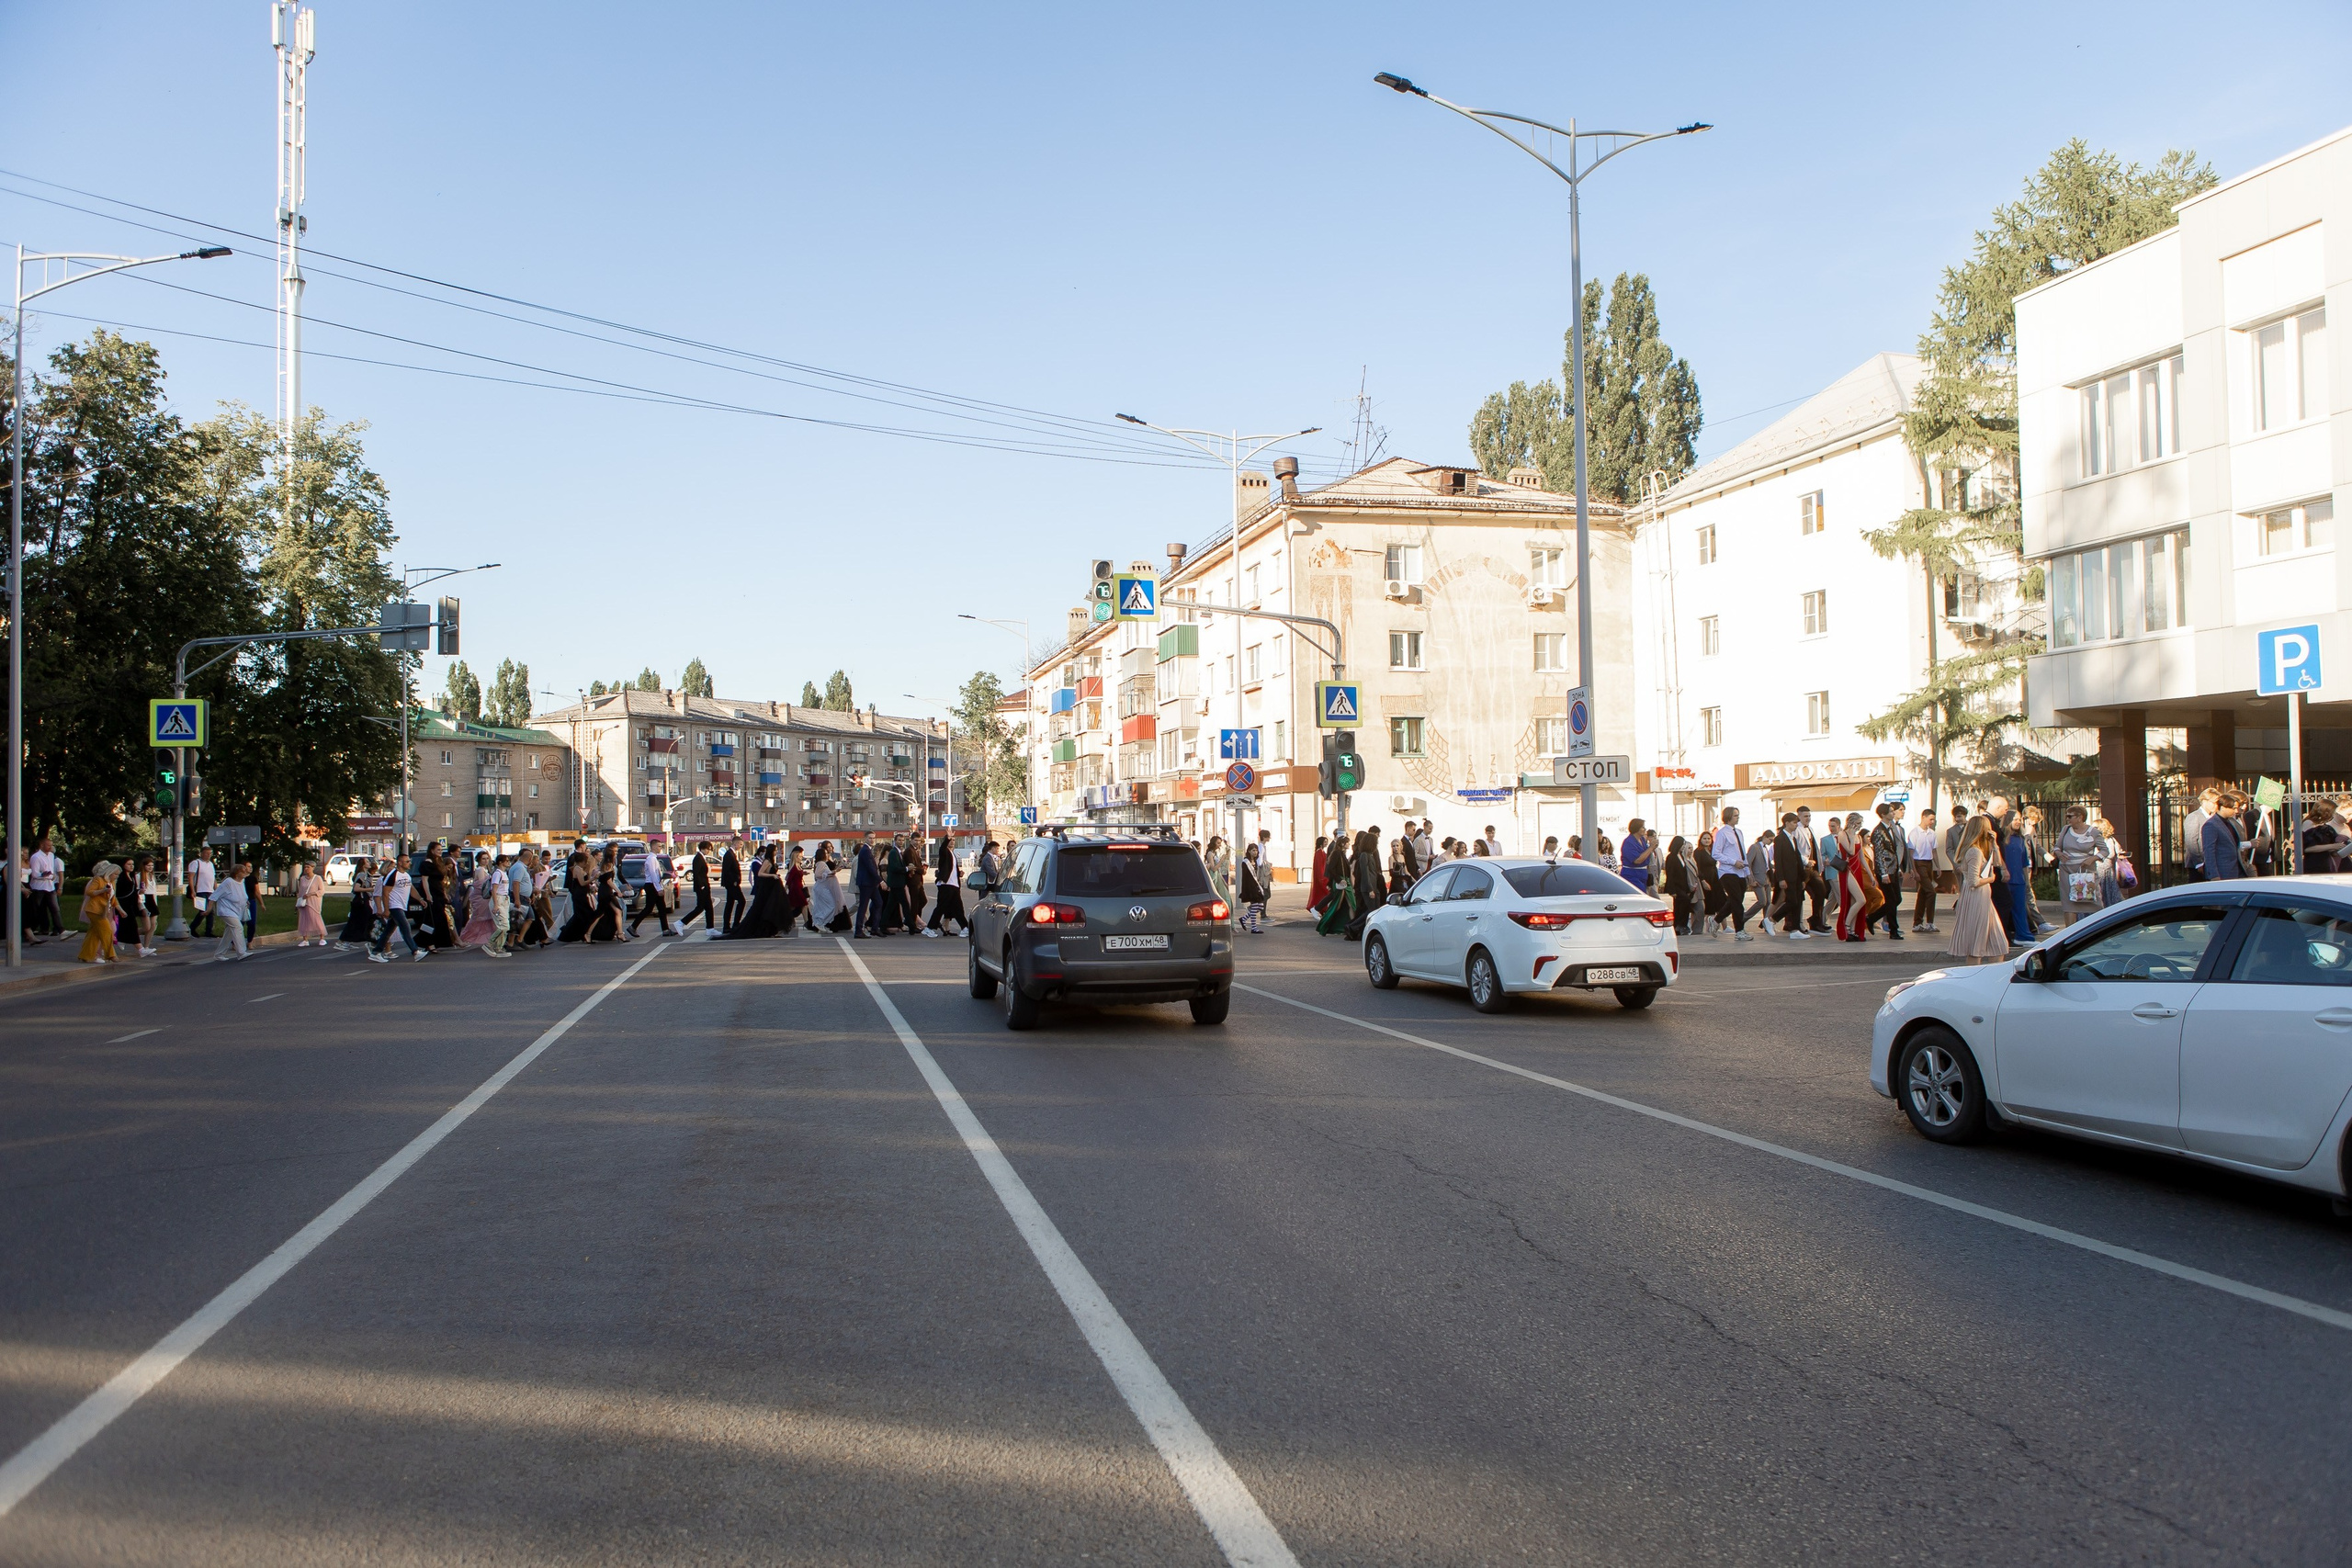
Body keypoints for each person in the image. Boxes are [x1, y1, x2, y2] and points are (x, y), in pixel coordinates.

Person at [1948, 818, 2010, 964]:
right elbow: (1973, 881)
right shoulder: (1974, 852)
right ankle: (1974, 977)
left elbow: (1997, 862)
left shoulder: (1981, 850)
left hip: (1983, 898)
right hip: (1977, 898)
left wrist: (1994, 845)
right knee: (1977, 943)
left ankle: (1991, 977)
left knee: (1998, 944)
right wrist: (1991, 879)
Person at [2054, 806, 2109, 925]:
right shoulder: (2066, 830)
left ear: (2080, 817)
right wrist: (2059, 854)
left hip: (2086, 872)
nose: (2067, 819)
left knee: (2094, 901)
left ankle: (2102, 930)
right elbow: (2057, 847)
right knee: (2069, 903)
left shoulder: (2093, 832)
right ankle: (2069, 935)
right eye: (2066, 816)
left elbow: (2105, 850)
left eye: (2070, 816)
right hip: (2067, 871)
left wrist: (2092, 858)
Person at [368, 857, 427, 963]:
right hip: (394, 906)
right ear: (400, 863)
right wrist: (386, 909)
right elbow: (385, 893)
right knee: (405, 927)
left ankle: (376, 952)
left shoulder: (406, 875)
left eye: (410, 861)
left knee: (388, 931)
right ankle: (415, 951)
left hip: (401, 905)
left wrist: (420, 899)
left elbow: (411, 889)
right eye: (407, 862)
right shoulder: (392, 875)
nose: (410, 864)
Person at [1709, 807, 1751, 939]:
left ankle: (1716, 920)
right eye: (1735, 815)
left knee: (1735, 900)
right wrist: (1733, 862)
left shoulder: (1739, 832)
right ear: (1728, 817)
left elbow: (1742, 852)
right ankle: (1740, 931)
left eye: (1738, 815)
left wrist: (1748, 872)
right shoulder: (1722, 833)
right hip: (1727, 872)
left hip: (1741, 872)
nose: (1738, 817)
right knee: (1737, 902)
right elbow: (1716, 853)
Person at [1870, 802, 1909, 941]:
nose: (1893, 813)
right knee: (1891, 900)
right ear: (1883, 815)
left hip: (1894, 869)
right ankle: (1893, 930)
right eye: (1891, 812)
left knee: (1897, 899)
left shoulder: (1892, 828)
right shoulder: (1878, 831)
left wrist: (1898, 868)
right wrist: (1884, 873)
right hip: (1884, 871)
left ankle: (1871, 918)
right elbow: (1879, 854)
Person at [1770, 814, 1811, 941]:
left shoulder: (1793, 838)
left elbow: (1797, 858)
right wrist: (1781, 878)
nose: (1795, 825)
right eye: (1794, 823)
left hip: (1797, 876)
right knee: (1792, 901)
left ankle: (1795, 929)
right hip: (1787, 876)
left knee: (1798, 902)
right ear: (1787, 823)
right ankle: (1772, 919)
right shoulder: (1780, 839)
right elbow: (1778, 860)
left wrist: (1803, 878)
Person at [1346, 827, 1385, 942]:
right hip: (1368, 888)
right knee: (1371, 911)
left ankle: (1354, 927)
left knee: (1372, 910)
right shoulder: (1364, 855)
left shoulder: (1370, 855)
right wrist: (1370, 889)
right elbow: (1365, 874)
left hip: (1373, 887)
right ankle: (1352, 926)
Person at [78, 862, 121, 964]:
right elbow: (90, 892)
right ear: (109, 873)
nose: (117, 876)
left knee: (94, 934)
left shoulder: (112, 882)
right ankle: (110, 955)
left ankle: (85, 955)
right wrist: (102, 890)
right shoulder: (98, 879)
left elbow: (113, 898)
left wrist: (121, 910)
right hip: (94, 910)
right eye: (115, 874)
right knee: (107, 931)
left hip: (104, 910)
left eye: (118, 874)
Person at [2000, 813, 2036, 939]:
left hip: (2019, 880)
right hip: (2004, 880)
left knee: (2020, 910)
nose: (2018, 822)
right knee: (2004, 910)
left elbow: (2024, 863)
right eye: (2015, 819)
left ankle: (2024, 935)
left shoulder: (2020, 839)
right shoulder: (2002, 839)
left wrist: (2026, 881)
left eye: (2019, 819)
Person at [208, 860, 251, 962]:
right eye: (243, 870)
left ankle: (219, 954)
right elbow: (214, 896)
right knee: (238, 927)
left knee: (229, 933)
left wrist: (246, 902)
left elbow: (241, 895)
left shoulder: (242, 882)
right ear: (237, 873)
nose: (246, 872)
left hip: (237, 911)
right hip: (226, 911)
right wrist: (208, 909)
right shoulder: (228, 882)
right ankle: (241, 953)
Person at [1907, 808, 1941, 933]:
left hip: (1929, 863)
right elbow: (1911, 853)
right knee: (1931, 892)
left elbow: (1934, 851)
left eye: (1933, 819)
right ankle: (1930, 922)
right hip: (1919, 863)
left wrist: (1937, 866)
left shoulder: (1932, 833)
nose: (1932, 822)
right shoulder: (1915, 833)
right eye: (1930, 819)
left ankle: (1917, 922)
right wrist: (1913, 870)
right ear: (1924, 817)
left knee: (1923, 893)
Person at [2202, 790, 2249, 881]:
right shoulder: (2211, 825)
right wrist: (2214, 875)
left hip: (2236, 871)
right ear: (2223, 807)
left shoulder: (2229, 822)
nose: (2236, 811)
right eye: (2233, 808)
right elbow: (2209, 851)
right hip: (2223, 873)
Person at [27, 833, 64, 942]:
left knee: (55, 909)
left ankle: (61, 929)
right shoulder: (36, 857)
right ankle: (30, 929)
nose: (50, 848)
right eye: (48, 846)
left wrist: (51, 876)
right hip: (38, 887)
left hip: (50, 887)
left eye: (51, 845)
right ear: (42, 845)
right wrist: (45, 876)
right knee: (36, 909)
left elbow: (52, 871)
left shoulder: (51, 856)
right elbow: (35, 874)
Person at [1663, 835, 1699, 935]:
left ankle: (1678, 927)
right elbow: (1670, 874)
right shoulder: (1671, 857)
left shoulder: (1681, 856)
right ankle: (1681, 924)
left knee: (1679, 906)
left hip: (1683, 886)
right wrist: (1672, 890)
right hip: (1676, 886)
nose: (1683, 847)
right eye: (1682, 845)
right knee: (1685, 901)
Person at [458, 857, 497, 948]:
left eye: (487, 858)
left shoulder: (486, 870)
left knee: (488, 919)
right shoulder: (480, 870)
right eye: (483, 859)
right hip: (481, 897)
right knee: (477, 918)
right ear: (479, 860)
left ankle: (490, 938)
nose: (486, 860)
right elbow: (481, 886)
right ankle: (464, 937)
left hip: (485, 897)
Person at [811, 842, 846, 932]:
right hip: (822, 888)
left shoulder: (820, 863)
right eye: (825, 853)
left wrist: (833, 871)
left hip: (823, 887)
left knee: (825, 906)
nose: (827, 855)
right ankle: (820, 922)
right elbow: (818, 875)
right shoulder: (822, 863)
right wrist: (834, 871)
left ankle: (822, 924)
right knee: (831, 906)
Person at [1241, 835, 1272, 934]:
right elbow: (1246, 877)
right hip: (1250, 887)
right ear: (1249, 851)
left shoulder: (1254, 861)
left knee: (1260, 906)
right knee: (1256, 905)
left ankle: (1244, 919)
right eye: (1253, 850)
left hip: (1256, 885)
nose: (1255, 852)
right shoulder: (1246, 862)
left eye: (1256, 850)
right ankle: (1254, 927)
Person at [854, 840, 884, 938]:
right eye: (870, 838)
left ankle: (874, 928)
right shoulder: (865, 850)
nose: (872, 840)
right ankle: (858, 930)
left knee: (879, 903)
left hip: (871, 883)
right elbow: (870, 867)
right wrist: (880, 881)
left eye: (873, 838)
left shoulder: (867, 850)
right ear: (866, 838)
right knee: (863, 906)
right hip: (867, 883)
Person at [294, 860, 328, 947]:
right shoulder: (302, 879)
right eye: (305, 867)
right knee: (303, 919)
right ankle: (305, 939)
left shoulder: (317, 878)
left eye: (308, 867)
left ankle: (322, 937)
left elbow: (322, 890)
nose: (306, 869)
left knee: (316, 919)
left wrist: (311, 894)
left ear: (313, 868)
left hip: (314, 901)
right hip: (304, 902)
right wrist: (298, 901)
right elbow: (301, 891)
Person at [684, 842, 716, 932]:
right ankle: (682, 922)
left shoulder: (702, 858)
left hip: (705, 886)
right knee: (700, 908)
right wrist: (701, 886)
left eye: (709, 849)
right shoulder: (698, 858)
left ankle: (710, 928)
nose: (709, 851)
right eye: (707, 849)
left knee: (709, 908)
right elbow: (697, 874)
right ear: (702, 848)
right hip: (701, 887)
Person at [1619, 818, 1654, 892]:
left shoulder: (1642, 840)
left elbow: (1646, 854)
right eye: (1643, 827)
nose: (1645, 829)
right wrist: (1651, 847)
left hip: (1643, 874)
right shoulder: (1628, 842)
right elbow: (1637, 860)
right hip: (1632, 875)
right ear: (1637, 828)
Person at [1307, 834, 1330, 918]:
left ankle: (1322, 908)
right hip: (1321, 877)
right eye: (1325, 842)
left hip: (1323, 876)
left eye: (1326, 842)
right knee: (1323, 893)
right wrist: (1322, 878)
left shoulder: (1322, 852)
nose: (1326, 843)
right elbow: (1319, 866)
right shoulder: (1319, 852)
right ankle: (1319, 908)